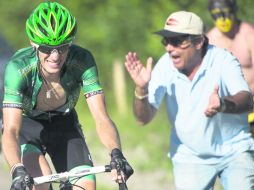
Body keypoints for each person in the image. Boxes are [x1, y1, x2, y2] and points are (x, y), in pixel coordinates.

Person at [2, 2, 133, 190]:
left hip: (64, 124)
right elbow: (11, 130)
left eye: (62, 47)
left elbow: (101, 118)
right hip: (28, 127)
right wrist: (17, 169)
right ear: (33, 44)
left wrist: (116, 154)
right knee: (41, 183)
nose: (55, 56)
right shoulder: (18, 68)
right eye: (47, 48)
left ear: (70, 43)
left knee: (86, 187)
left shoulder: (82, 61)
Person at [124, 10, 254, 189]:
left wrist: (223, 104)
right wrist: (141, 89)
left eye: (177, 41)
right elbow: (142, 119)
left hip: (234, 149)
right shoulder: (164, 66)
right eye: (166, 41)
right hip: (190, 154)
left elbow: (247, 100)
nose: (170, 48)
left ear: (199, 41)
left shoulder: (223, 59)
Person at [206, 0, 254, 132]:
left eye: (226, 13)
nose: (222, 19)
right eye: (217, 14)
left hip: (251, 104)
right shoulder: (209, 40)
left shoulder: (249, 35)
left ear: (234, 11)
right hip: (223, 108)